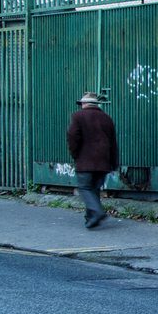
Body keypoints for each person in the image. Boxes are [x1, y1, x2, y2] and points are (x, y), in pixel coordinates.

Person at [66, 91, 119, 229]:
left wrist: (75, 154)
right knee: (94, 189)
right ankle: (91, 218)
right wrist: (113, 163)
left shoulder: (78, 116)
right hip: (103, 162)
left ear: (84, 104)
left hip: (85, 160)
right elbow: (113, 142)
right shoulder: (107, 118)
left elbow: (73, 136)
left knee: (84, 187)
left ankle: (98, 212)